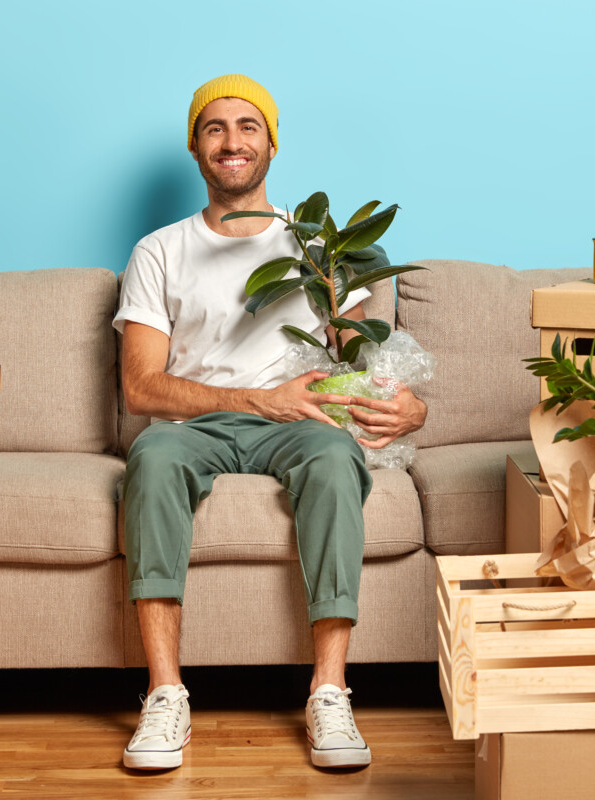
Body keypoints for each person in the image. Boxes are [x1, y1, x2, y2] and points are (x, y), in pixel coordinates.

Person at [113, 74, 427, 771]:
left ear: (271, 143)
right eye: (214, 127)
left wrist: (413, 407)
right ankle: (165, 695)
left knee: (333, 460)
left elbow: (362, 364)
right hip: (194, 425)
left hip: (303, 422)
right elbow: (140, 388)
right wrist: (260, 400)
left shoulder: (320, 252)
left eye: (248, 126)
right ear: (195, 147)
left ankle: (330, 692)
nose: (232, 141)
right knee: (153, 460)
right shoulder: (159, 252)